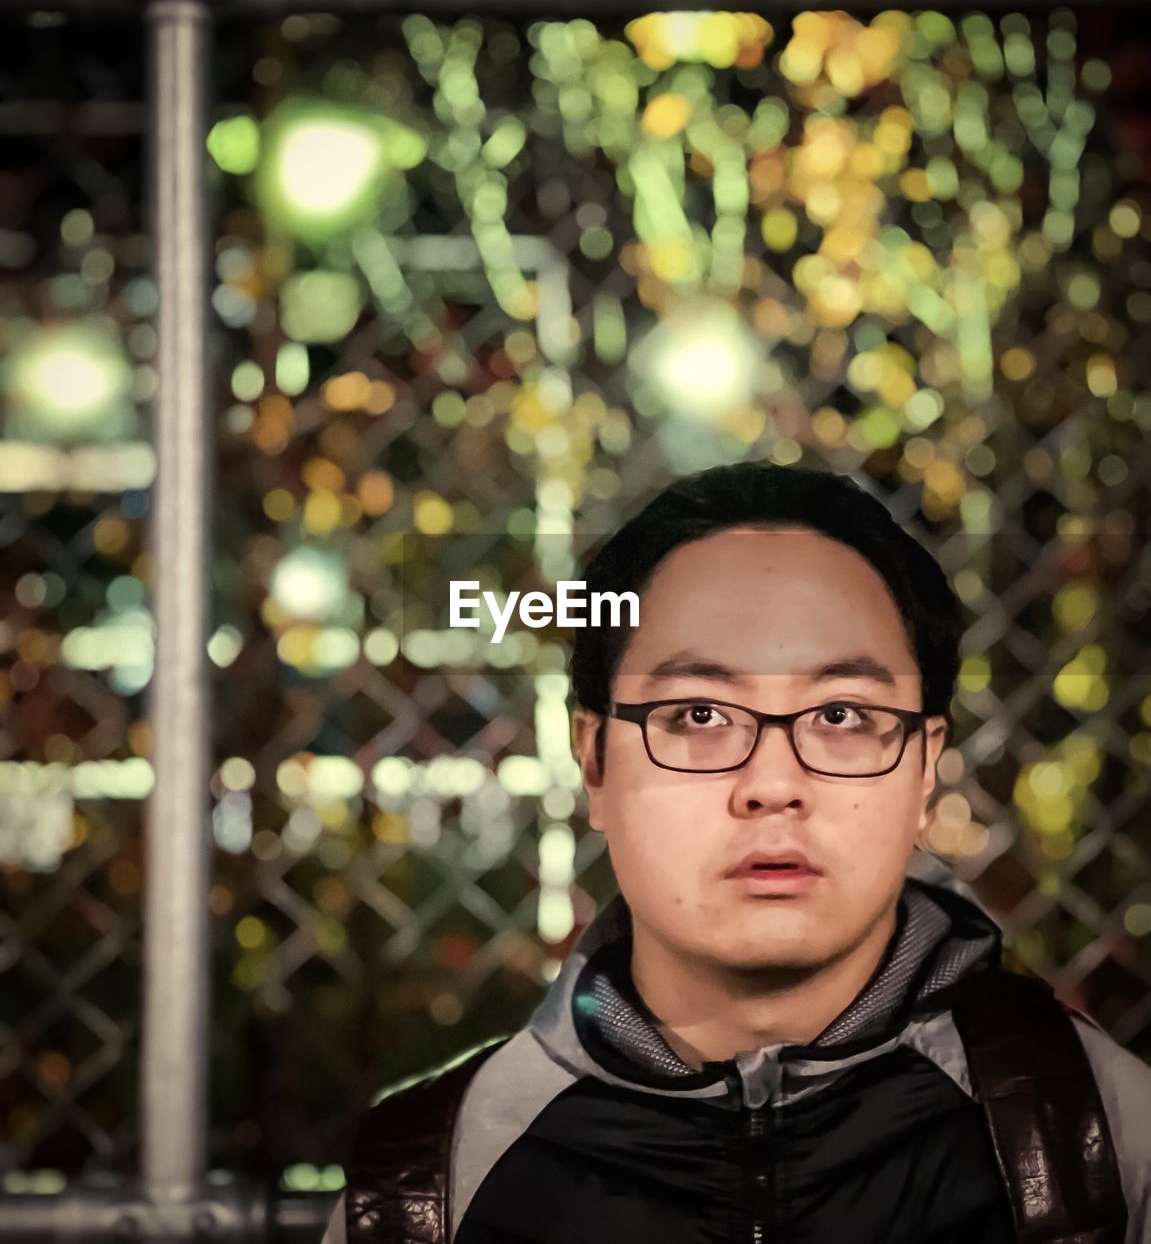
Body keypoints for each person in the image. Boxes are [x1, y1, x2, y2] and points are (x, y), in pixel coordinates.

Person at [323, 461, 1151, 1244]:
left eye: (840, 716)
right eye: (697, 715)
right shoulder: (430, 1183)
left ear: (925, 769)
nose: (771, 784)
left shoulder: (1101, 1139)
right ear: (595, 763)